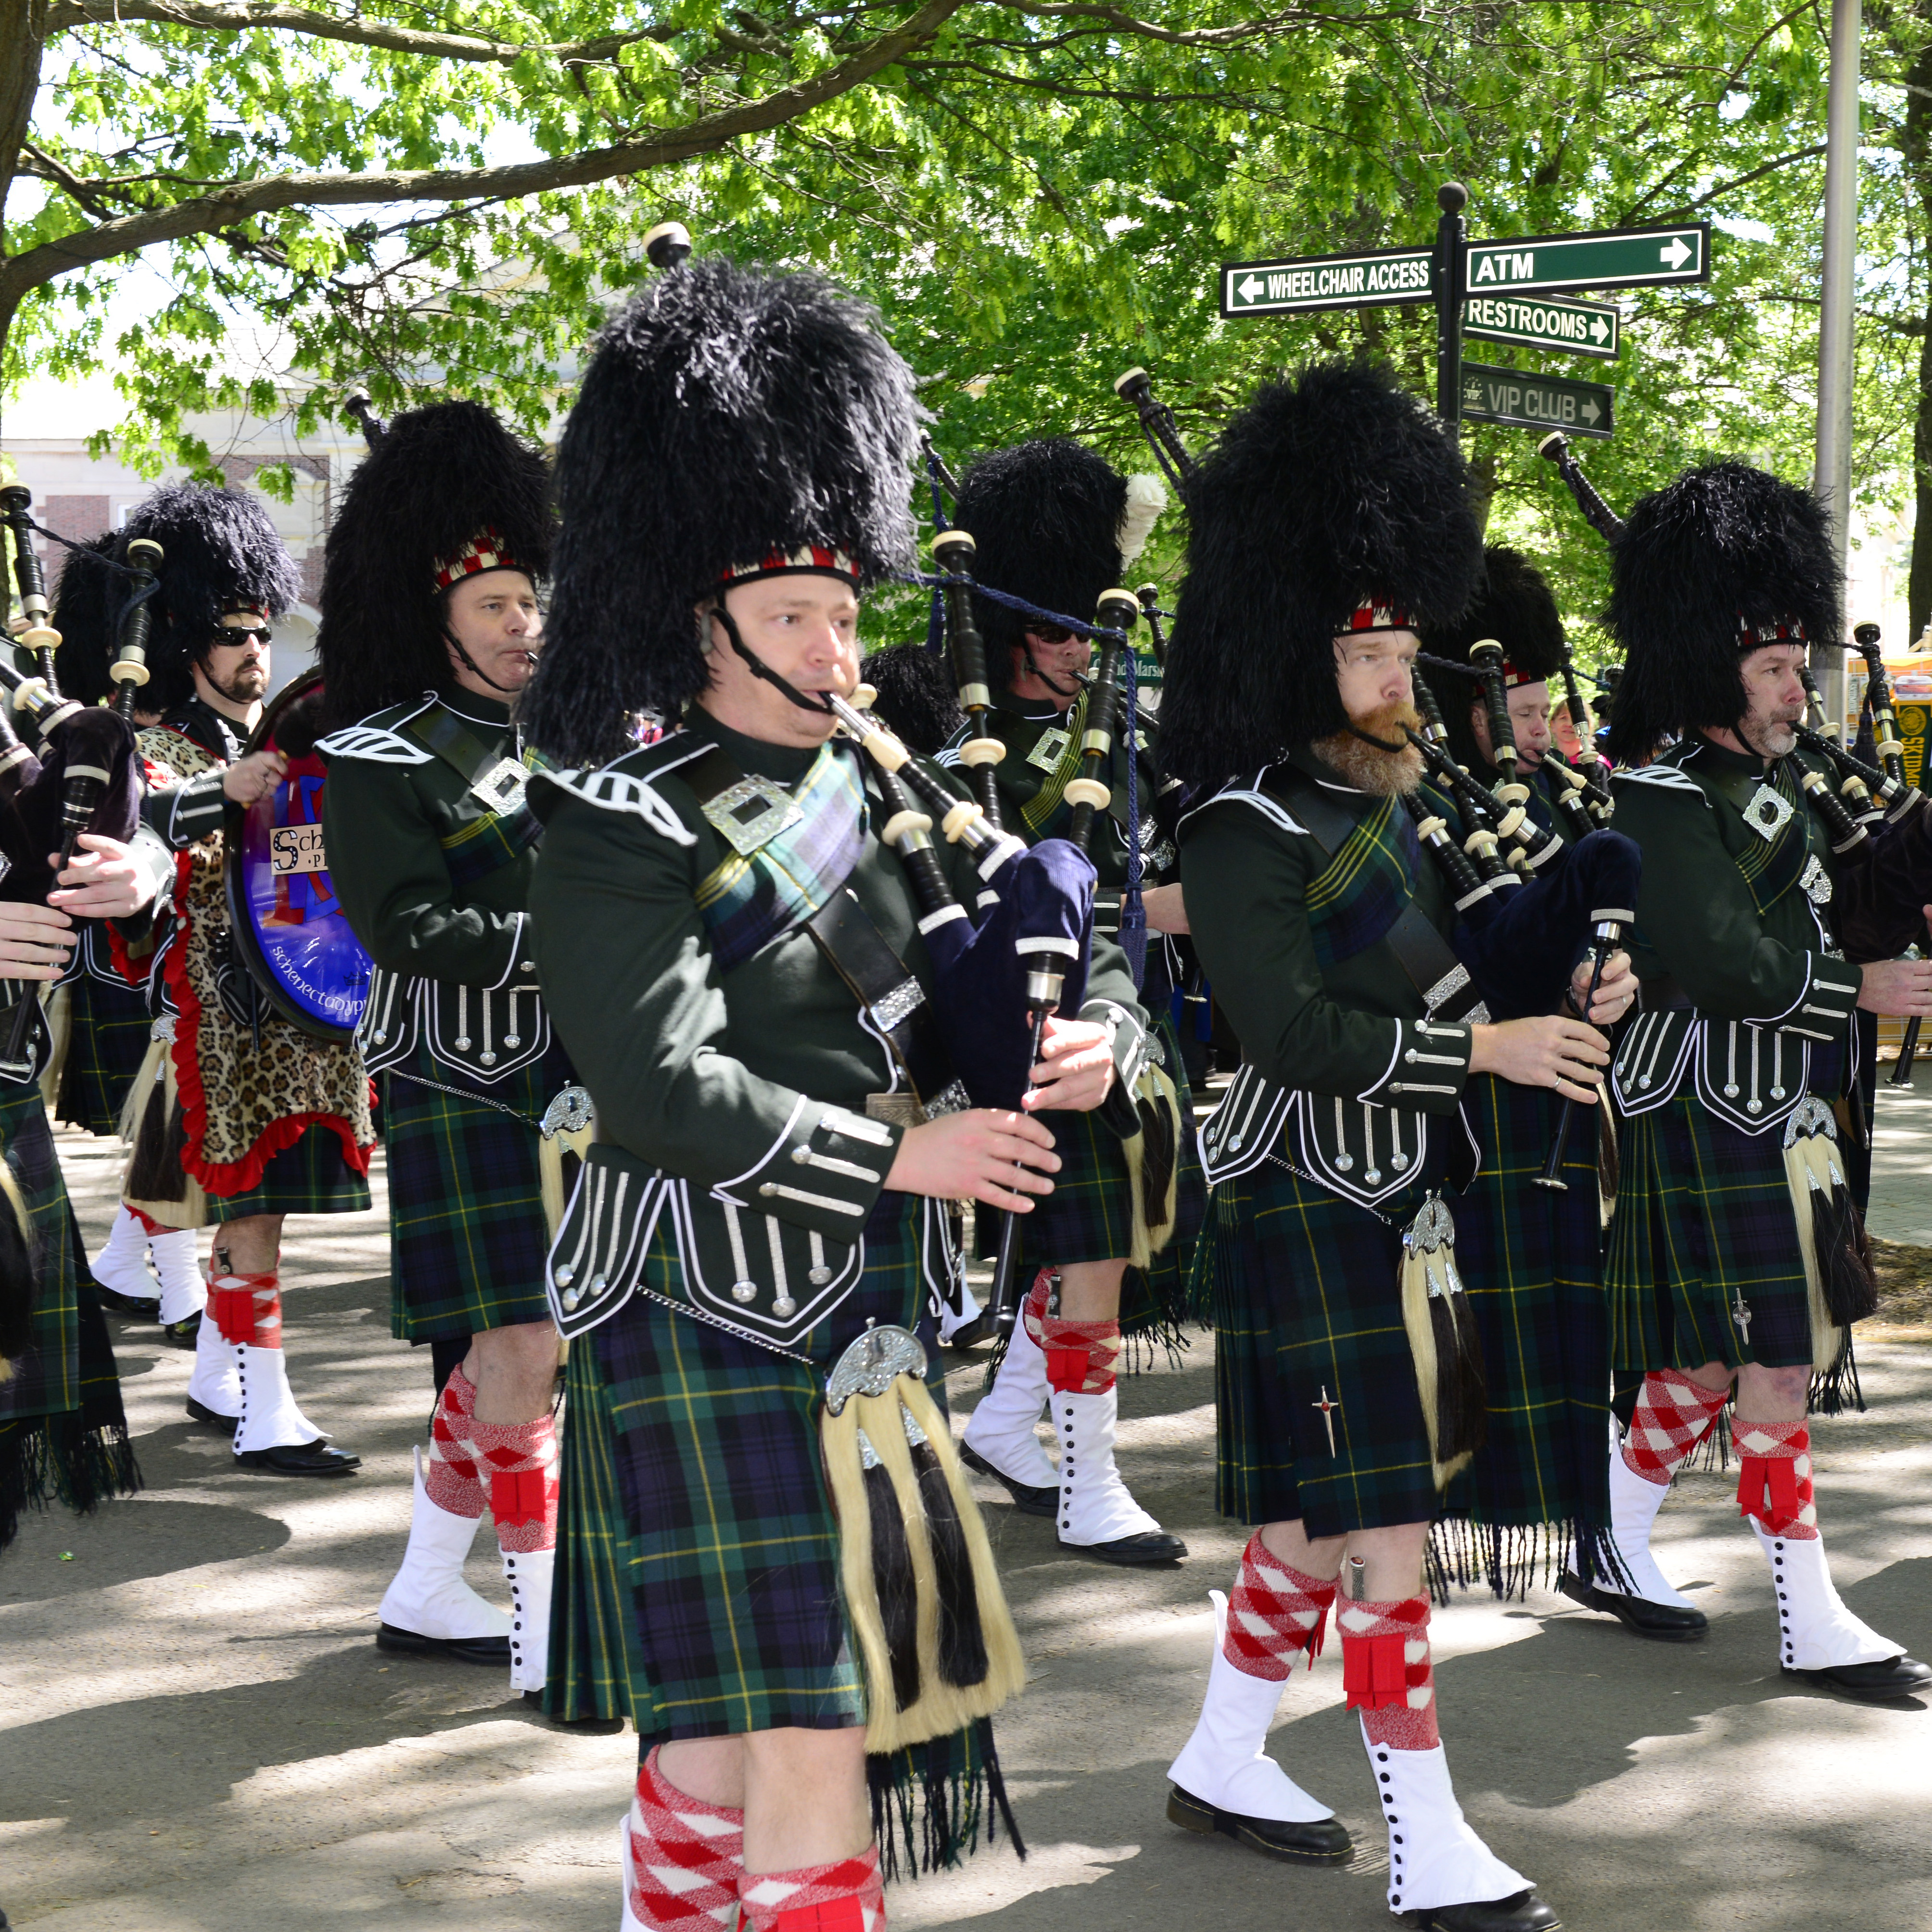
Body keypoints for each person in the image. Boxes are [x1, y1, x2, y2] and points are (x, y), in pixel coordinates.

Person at [520, 255, 1135, 1932]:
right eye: (794, 615)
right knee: (802, 1710)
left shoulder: (894, 801)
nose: (832, 646)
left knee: (748, 1724)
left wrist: (1092, 1044)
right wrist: (900, 1149)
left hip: (857, 1298)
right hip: (695, 1288)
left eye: (845, 614)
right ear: (696, 617)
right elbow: (651, 1085)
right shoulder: (618, 821)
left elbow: (1028, 976)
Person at [1153, 361, 1625, 1932]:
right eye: (1362, 649)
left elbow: (1448, 971)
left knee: (1319, 1507)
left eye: (1394, 643)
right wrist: (1479, 1045)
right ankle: (1424, 1834)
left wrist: (1564, 982)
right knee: (1386, 1522)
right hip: (1302, 1190)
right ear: (1300, 654)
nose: (1390, 672)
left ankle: (1225, 1749)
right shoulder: (1237, 825)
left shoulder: (1398, 811)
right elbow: (1287, 1032)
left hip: (1402, 1199)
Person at [1562, 459, 1932, 1698]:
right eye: (1773, 669)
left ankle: (1609, 1532)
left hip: (1786, 1108)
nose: (1795, 687)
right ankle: (1807, 1610)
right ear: (1712, 669)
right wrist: (1856, 992)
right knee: (1777, 1355)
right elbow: (1723, 957)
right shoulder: (1659, 798)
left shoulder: (1790, 781)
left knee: (1711, 1365)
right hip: (1704, 1100)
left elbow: (1851, 899)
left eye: (1796, 666)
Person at [316, 399, 566, 1693]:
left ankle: (427, 1582)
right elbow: (404, 924)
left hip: (582, 1074)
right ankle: (541, 1624)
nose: (522, 626)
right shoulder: (377, 755)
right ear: (436, 614)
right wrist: (570, 932)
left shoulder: (578, 743)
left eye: (531, 598)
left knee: (529, 1344)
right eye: (493, 607)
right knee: (521, 1342)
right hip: (459, 1073)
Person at [936, 437, 1198, 1565]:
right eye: (1049, 630)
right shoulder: (974, 749)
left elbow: (1157, 891)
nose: (1072, 650)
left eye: (1081, 629)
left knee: (1102, 1247)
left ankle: (1001, 1421)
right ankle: (1092, 1481)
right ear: (1006, 630)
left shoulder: (1127, 742)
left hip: (1124, 1012)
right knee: (1089, 1257)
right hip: (1046, 1019)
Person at [113, 483, 375, 1477]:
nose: (252, 653)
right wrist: (215, 796)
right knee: (253, 1212)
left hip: (308, 1008)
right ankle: (267, 1410)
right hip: (214, 1018)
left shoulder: (301, 741)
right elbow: (130, 850)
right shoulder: (152, 745)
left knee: (259, 1214)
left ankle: (222, 1375)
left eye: (262, 633)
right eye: (231, 634)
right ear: (189, 641)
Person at [1419, 547, 1628, 1596]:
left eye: (1545, 703)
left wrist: (1611, 975)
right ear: (1474, 708)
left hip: (1559, 1080)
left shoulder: (1559, 795)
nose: (1538, 722)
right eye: (1519, 703)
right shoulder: (1434, 801)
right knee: (1480, 1331)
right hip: (1469, 1094)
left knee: (1564, 1328)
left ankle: (1596, 1528)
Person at [40, 530, 202, 1342]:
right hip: (109, 955)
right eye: (231, 629)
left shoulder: (196, 737)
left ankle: (120, 1260)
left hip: (187, 952)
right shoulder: (81, 732)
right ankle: (181, 1288)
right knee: (162, 1112)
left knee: (169, 1113)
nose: (250, 647)